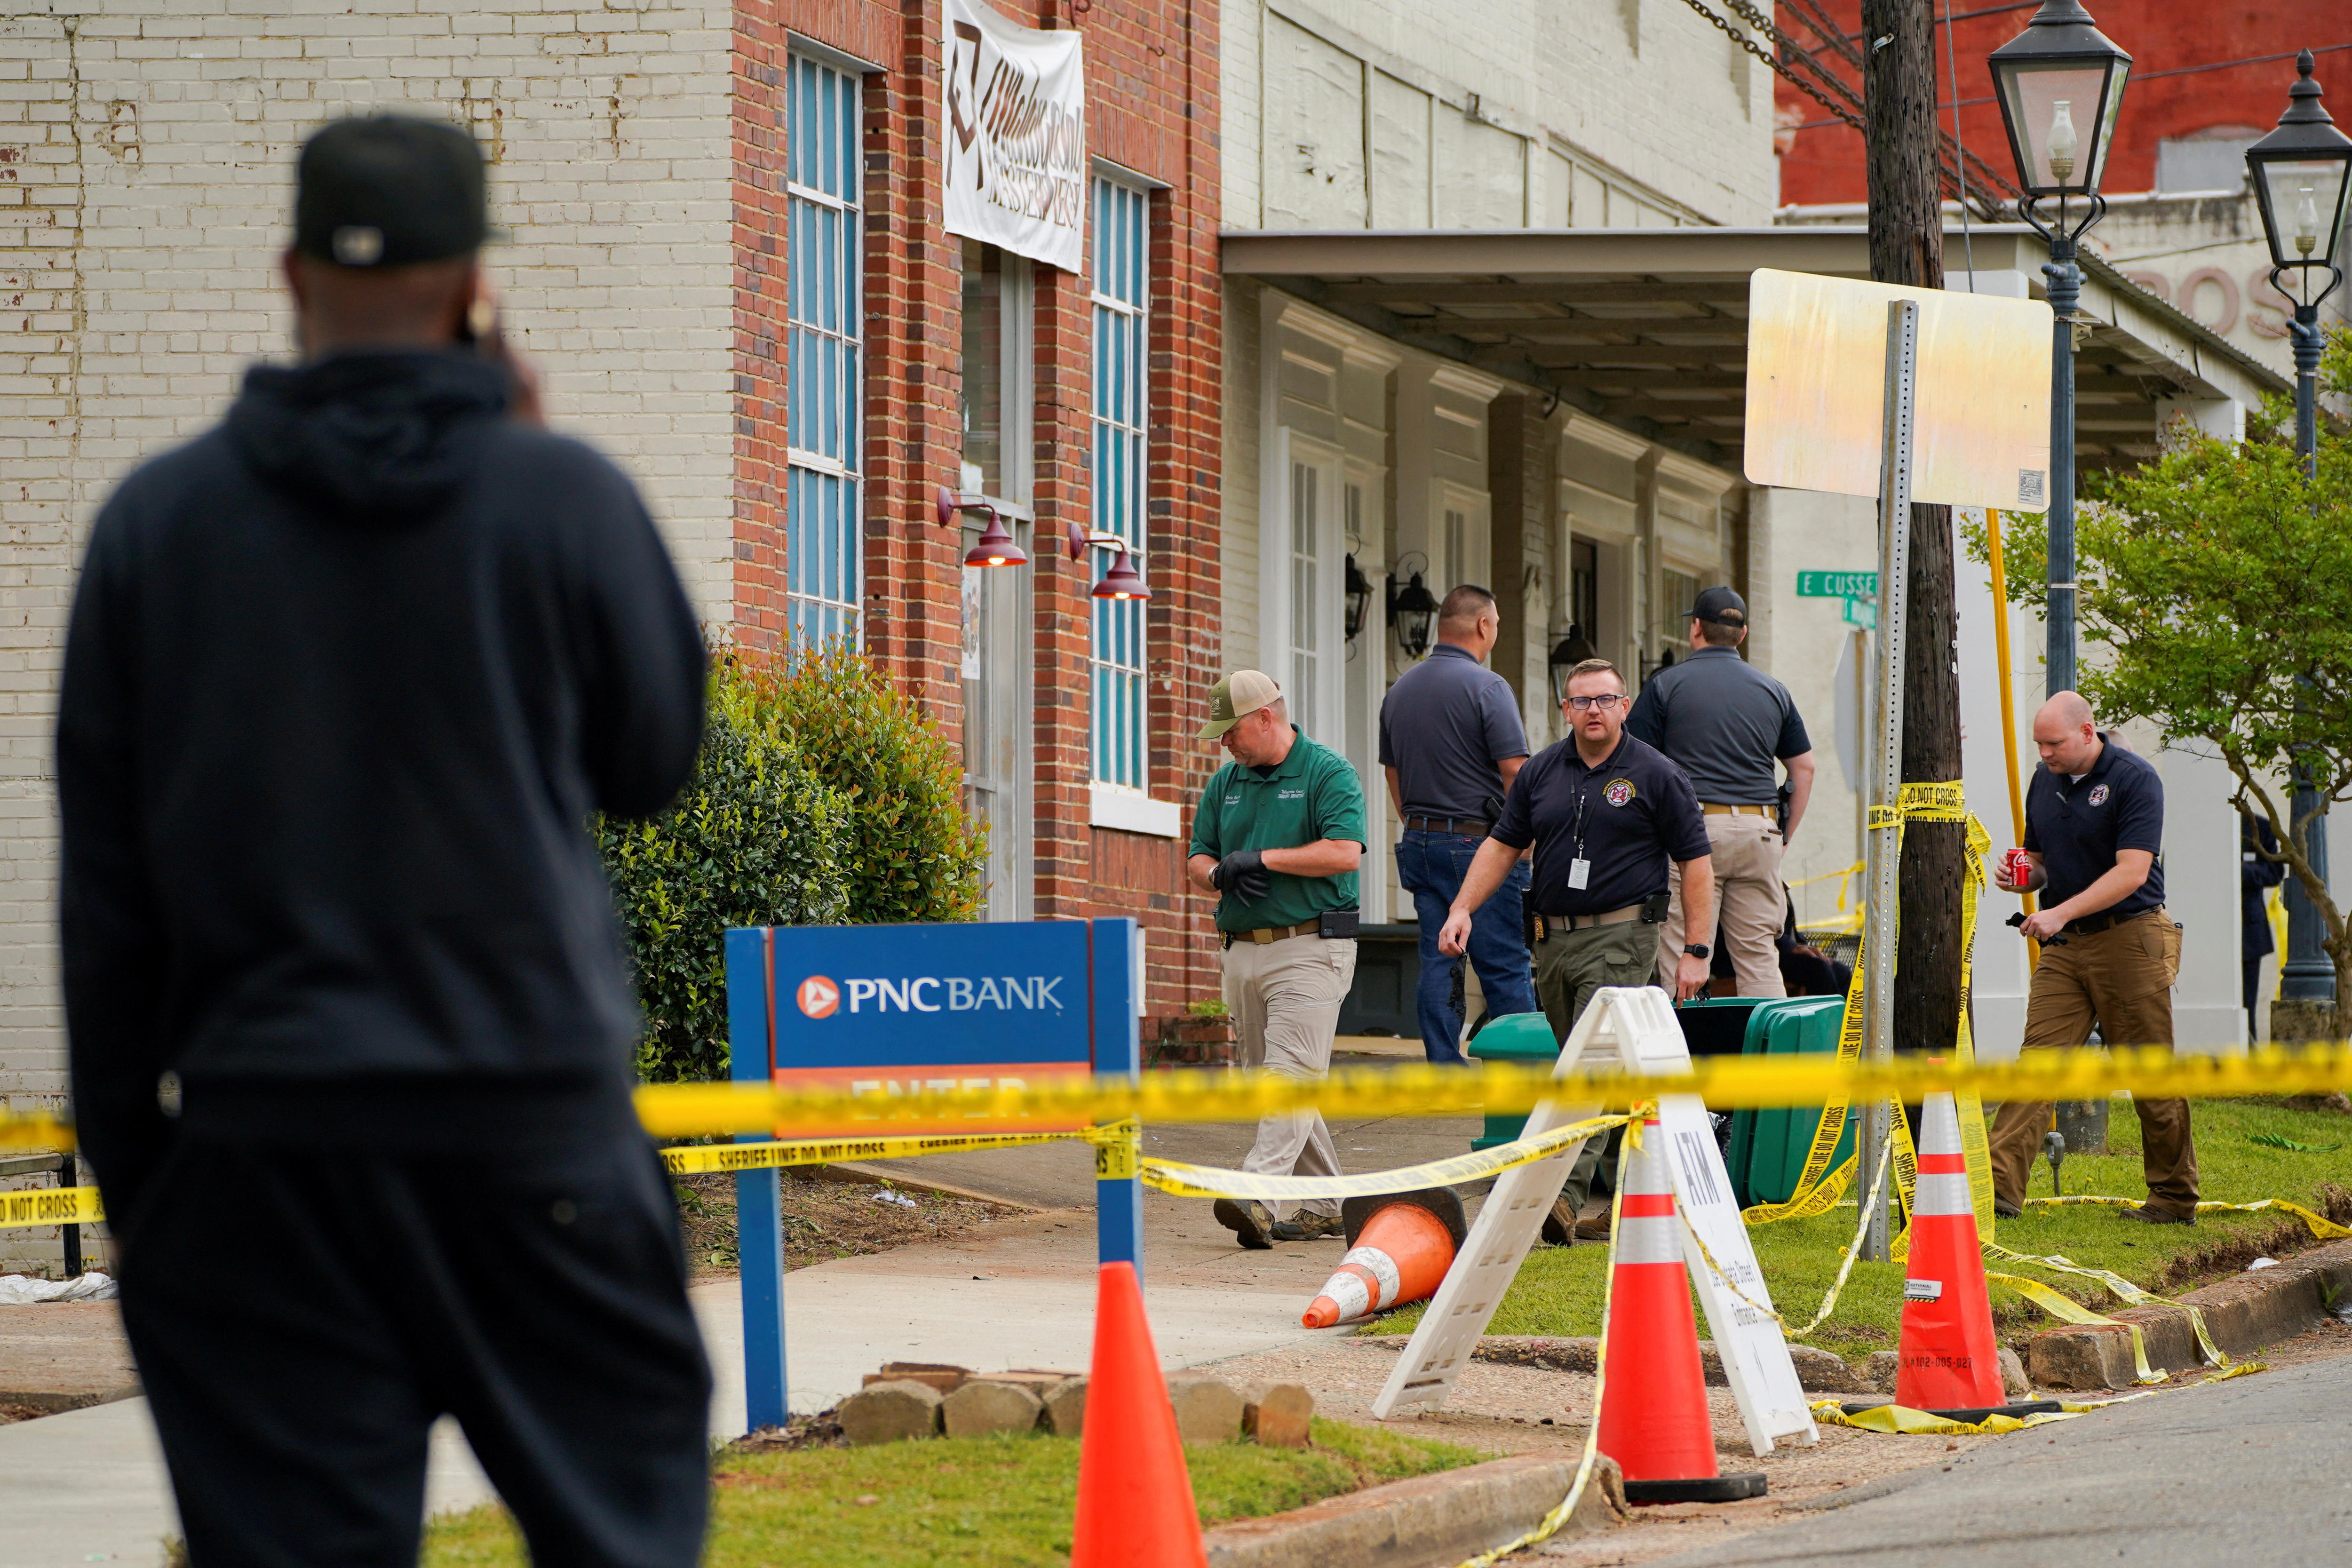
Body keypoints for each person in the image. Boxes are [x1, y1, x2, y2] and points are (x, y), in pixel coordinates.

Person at [56, 116, 712, 1567]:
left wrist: (146, 1194)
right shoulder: (561, 498)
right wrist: (534, 466)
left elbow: (105, 909)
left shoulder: (157, 527)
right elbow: (653, 761)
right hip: (528, 1130)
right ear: (473, 280)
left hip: (264, 1147)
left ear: (289, 269)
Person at [1439, 658, 1715, 1242]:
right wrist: (1461, 907)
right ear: (1565, 709)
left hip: (1622, 935)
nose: (1593, 710)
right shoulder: (1541, 772)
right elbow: (1501, 845)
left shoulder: (1656, 773)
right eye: (1581, 701)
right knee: (1595, 1066)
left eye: (1605, 700)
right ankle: (1633, 1195)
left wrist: (1696, 947)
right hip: (1552, 940)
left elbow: (1695, 862)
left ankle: (1559, 1198)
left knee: (1586, 1068)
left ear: (1623, 706)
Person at [1987, 692, 2199, 1224]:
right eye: (2038, 744)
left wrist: (2056, 913)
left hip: (2129, 938)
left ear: (2087, 733)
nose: (2044, 754)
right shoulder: (2044, 781)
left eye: (2053, 743)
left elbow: (2131, 871)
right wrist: (2024, 880)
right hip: (2066, 946)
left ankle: (2173, 1199)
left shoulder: (2134, 779)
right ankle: (1995, 1192)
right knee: (2036, 1064)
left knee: (2147, 1072)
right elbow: (2037, 863)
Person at [1188, 670, 1367, 1248]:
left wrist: (1262, 859)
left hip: (1311, 948)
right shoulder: (1225, 785)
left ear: (1266, 717)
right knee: (1273, 1083)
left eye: (1231, 731)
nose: (1225, 744)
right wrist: (1220, 872)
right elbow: (1197, 858)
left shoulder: (1327, 773)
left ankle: (1257, 1194)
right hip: (1242, 950)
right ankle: (1326, 1205)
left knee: (1288, 1076)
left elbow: (1344, 853)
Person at [1626, 585, 1815, 998]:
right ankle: (1769, 1058)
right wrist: (1782, 835)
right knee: (1760, 958)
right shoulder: (1774, 690)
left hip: (1693, 835)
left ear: (1696, 628)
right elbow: (1804, 766)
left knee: (1684, 955)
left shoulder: (1666, 685)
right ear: (1742, 634)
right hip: (1760, 830)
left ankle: (1684, 1058)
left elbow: (1635, 763)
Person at [1379, 584, 1538, 1064]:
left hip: (1421, 841)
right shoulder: (1488, 688)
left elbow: (1393, 773)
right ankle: (1523, 1074)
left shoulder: (1398, 690)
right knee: (1504, 963)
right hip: (1480, 843)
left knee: (1438, 957)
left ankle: (1443, 1069)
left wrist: (1415, 822)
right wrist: (1523, 843)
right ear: (1483, 626)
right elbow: (1515, 773)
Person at [2241, 809, 2285, 1040]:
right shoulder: (2193, 826)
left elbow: (2274, 872)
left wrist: (2235, 871)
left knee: (2247, 1005)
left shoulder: (2258, 826)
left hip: (2248, 932)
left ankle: (2249, 1061)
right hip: (2204, 933)